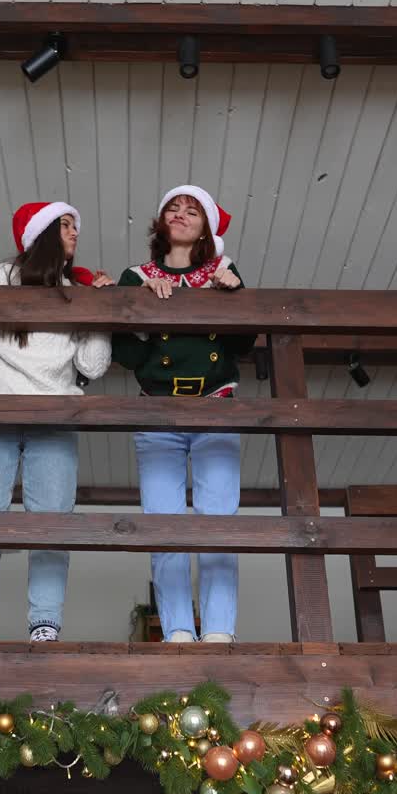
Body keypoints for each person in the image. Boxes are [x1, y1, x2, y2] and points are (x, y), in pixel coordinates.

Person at [0, 201, 112, 642]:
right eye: (65, 225)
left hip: (55, 420)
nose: (75, 232)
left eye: (76, 226)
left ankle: (45, 624)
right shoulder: (0, 276)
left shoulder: (77, 290)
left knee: (52, 524)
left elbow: (93, 366)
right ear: (41, 234)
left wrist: (99, 311)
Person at [113, 185, 256, 643]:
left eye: (192, 211)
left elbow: (243, 345)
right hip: (157, 410)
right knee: (163, 524)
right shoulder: (136, 276)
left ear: (206, 228)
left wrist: (232, 296)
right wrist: (146, 309)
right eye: (173, 208)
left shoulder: (224, 271)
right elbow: (127, 357)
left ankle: (219, 631)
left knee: (219, 522)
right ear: (161, 222)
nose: (180, 214)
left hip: (217, 406)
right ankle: (176, 629)